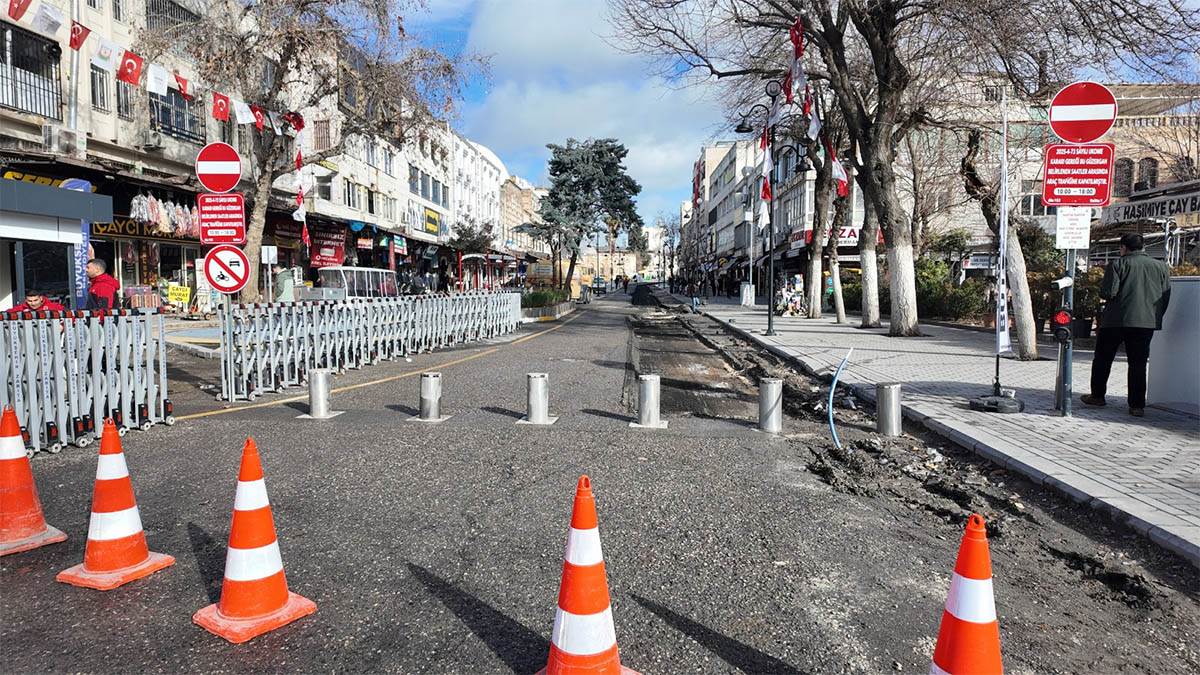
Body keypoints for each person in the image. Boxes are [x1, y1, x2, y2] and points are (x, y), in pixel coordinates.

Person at [1082, 233, 1171, 417]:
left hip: (1115, 320)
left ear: (1124, 247)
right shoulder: (1161, 266)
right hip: (1145, 322)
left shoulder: (1118, 264)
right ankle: (1136, 405)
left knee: (1103, 359)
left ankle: (1097, 396)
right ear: (1143, 247)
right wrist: (1154, 316)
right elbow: (1165, 295)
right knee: (1138, 363)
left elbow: (1108, 292)